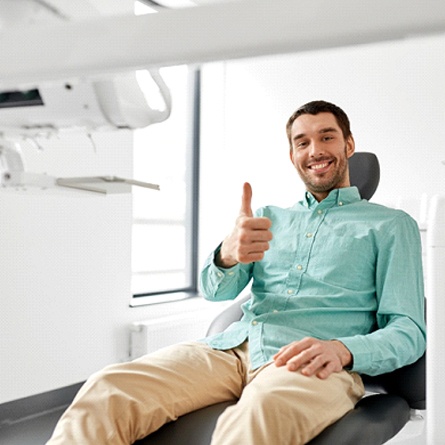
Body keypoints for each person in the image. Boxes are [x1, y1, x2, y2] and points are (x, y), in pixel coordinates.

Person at [47, 100, 426, 445]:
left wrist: (343, 350)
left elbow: (408, 331)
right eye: (302, 142)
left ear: (348, 145)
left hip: (310, 360)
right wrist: (226, 255)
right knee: (108, 388)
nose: (315, 151)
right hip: (230, 350)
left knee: (256, 418)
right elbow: (216, 291)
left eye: (327, 137)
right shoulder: (267, 218)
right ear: (293, 155)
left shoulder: (391, 226)